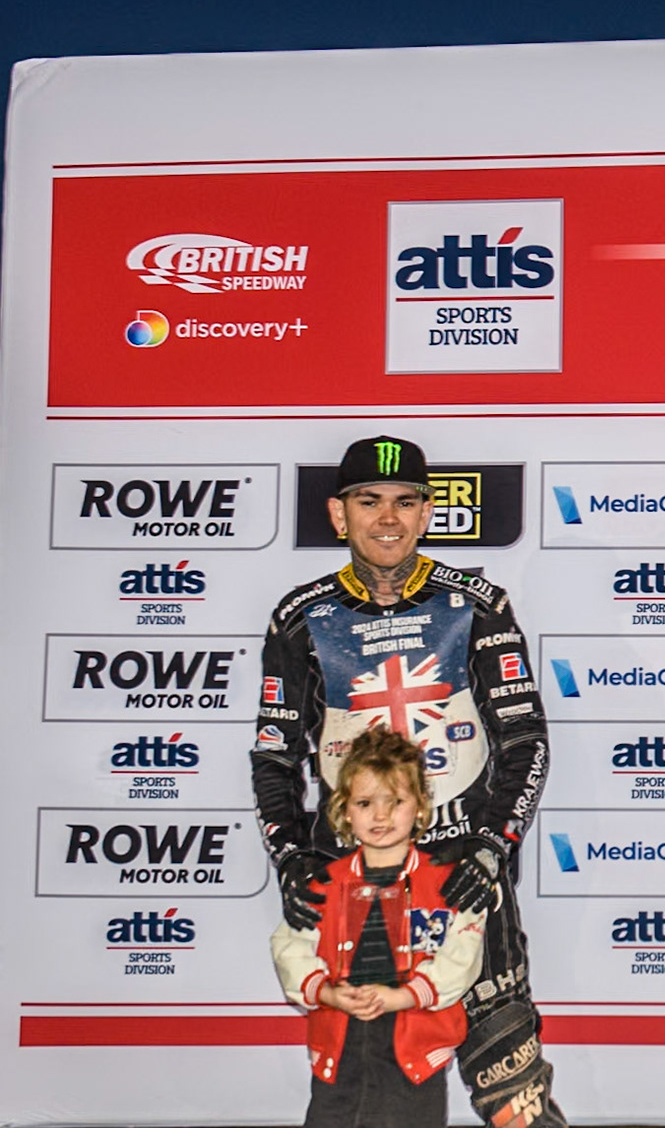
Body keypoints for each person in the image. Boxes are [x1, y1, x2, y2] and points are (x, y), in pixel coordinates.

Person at [252, 436, 563, 1128]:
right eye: (369, 501)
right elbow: (273, 755)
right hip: (354, 880)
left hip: (459, 875)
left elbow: (525, 741)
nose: (387, 518)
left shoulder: (477, 603)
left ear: (427, 514)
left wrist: (491, 848)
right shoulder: (299, 617)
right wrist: (292, 857)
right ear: (339, 514)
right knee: (366, 1088)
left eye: (405, 501)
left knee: (510, 1081)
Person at [272, 728, 486, 1128]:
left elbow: (462, 956)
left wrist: (404, 996)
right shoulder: (321, 884)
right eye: (366, 802)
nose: (381, 815)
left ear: (421, 807)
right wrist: (328, 992)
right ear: (345, 809)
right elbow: (289, 948)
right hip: (340, 1046)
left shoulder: (449, 883)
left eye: (396, 802)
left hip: (414, 1055)